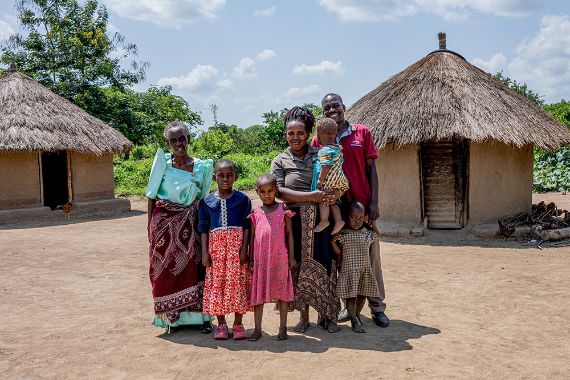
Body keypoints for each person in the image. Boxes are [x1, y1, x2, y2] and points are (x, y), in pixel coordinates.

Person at [313, 93, 390, 328]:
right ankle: (348, 308)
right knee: (340, 259)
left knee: (371, 257)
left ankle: (377, 307)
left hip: (361, 208)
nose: (332, 109)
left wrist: (374, 202)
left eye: (335, 105)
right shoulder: (319, 139)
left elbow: (372, 169)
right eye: (327, 107)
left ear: (344, 107)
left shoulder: (361, 133)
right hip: (336, 208)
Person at [270, 106, 342, 334]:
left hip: (320, 218)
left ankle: (329, 315)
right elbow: (279, 192)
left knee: (324, 265)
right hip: (292, 222)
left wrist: (331, 195)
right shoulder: (280, 160)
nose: (295, 137)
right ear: (285, 134)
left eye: (300, 133)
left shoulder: (319, 155)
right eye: (290, 133)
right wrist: (312, 196)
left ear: (309, 133)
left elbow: (332, 177)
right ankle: (304, 317)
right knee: (298, 268)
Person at [146, 121, 214, 333]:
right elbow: (151, 195)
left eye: (182, 138)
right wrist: (151, 228)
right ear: (168, 143)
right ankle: (172, 319)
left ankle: (202, 319)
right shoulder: (162, 164)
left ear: (189, 139)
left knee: (196, 269)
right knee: (165, 270)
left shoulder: (203, 166)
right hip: (163, 224)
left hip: (192, 224)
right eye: (173, 140)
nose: (178, 143)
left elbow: (203, 198)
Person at [198, 159, 252, 340]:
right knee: (217, 284)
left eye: (229, 175)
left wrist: (245, 248)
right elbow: (204, 228)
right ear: (214, 177)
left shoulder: (242, 200)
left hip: (237, 250)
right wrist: (205, 252)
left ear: (235, 177)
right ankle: (221, 324)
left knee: (237, 283)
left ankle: (238, 324)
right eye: (221, 175)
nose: (225, 179)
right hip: (216, 250)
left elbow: (247, 226)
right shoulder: (206, 202)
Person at [248, 174, 296, 341]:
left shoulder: (283, 210)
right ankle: (257, 329)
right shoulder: (255, 212)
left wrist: (291, 256)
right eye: (262, 191)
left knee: (282, 293)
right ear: (257, 192)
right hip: (261, 260)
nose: (267, 195)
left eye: (270, 191)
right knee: (258, 294)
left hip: (280, 258)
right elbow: (253, 237)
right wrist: (251, 258)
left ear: (276, 190)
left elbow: (289, 234)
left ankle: (283, 328)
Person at [331, 202, 380, 333]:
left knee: (362, 296)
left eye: (360, 218)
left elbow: (378, 235)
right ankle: (353, 321)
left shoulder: (367, 234)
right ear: (347, 218)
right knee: (351, 298)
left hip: (364, 271)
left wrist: (372, 223)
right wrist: (332, 242)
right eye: (353, 217)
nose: (357, 221)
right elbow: (339, 253)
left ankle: (356, 315)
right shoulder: (344, 234)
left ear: (364, 218)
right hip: (349, 272)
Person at [311, 117, 349, 234]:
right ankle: (338, 220)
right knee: (333, 201)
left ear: (320, 134)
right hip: (339, 180)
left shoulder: (325, 150)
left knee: (324, 199)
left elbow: (326, 166)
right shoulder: (337, 148)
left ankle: (324, 220)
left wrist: (320, 180)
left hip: (329, 180)